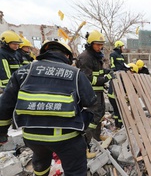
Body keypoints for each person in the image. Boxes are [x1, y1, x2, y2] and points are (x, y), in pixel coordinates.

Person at [0, 40, 97, 176]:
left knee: (41, 159)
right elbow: (91, 101)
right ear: (67, 56)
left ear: (43, 54)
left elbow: (5, 106)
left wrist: (2, 133)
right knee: (75, 169)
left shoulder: (23, 72)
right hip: (66, 137)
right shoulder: (75, 74)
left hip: (32, 136)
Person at [76, 30, 112, 152]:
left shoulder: (96, 56)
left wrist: (107, 71)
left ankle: (96, 137)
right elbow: (88, 79)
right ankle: (86, 144)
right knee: (92, 118)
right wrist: (107, 78)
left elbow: (98, 72)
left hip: (98, 92)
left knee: (100, 114)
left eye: (101, 44)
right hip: (90, 93)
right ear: (90, 43)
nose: (100, 47)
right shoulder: (85, 57)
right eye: (97, 44)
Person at [108, 40, 127, 128]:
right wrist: (116, 72)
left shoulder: (121, 56)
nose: (123, 48)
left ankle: (120, 125)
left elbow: (123, 65)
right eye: (122, 46)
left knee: (119, 110)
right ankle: (118, 125)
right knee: (117, 110)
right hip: (117, 78)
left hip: (121, 77)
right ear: (119, 46)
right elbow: (112, 65)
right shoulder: (113, 54)